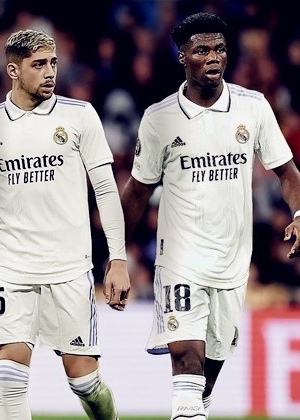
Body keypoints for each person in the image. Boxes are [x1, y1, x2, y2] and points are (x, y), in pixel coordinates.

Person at [120, 12, 300, 420]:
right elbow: (138, 191)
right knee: (187, 361)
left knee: (204, 380)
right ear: (183, 57)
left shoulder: (252, 107)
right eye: (202, 50)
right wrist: (114, 253)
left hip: (232, 262)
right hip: (180, 259)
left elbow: (288, 173)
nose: (214, 57)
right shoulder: (160, 118)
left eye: (219, 48)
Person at [0, 29, 130, 420]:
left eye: (53, 63)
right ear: (14, 70)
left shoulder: (79, 115)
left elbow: (105, 189)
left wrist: (117, 259)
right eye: (39, 65)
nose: (50, 72)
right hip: (12, 271)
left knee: (85, 383)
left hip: (69, 269)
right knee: (9, 379)